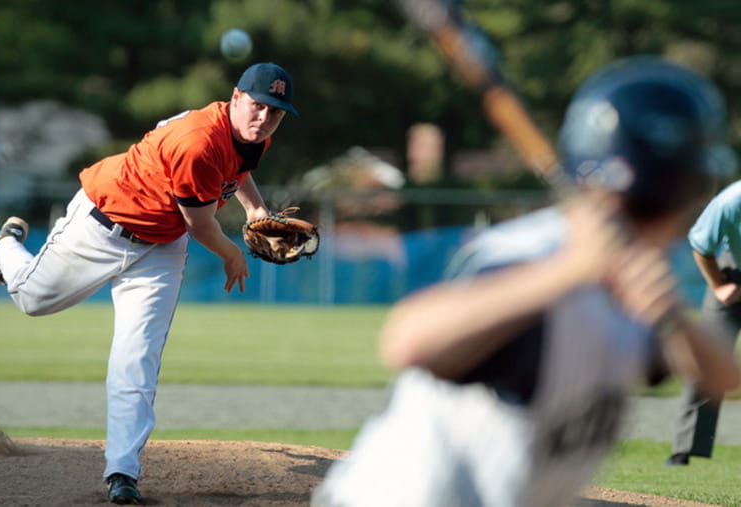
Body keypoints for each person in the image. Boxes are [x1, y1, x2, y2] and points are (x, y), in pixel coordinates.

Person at [311, 56, 741, 507]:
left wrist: (671, 314)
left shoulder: (636, 280)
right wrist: (572, 269)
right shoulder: (527, 254)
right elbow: (408, 341)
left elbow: (721, 376)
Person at [0, 61, 298, 505]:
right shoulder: (197, 141)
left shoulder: (249, 137)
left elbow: (237, 172)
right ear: (236, 98)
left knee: (137, 355)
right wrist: (233, 255)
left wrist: (255, 212)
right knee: (32, 299)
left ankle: (122, 473)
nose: (264, 118)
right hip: (101, 224)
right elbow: (201, 225)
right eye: (258, 106)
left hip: (161, 247)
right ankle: (4, 250)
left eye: (275, 112)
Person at [666, 180, 741, 466]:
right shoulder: (731, 201)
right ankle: (685, 449)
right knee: (709, 360)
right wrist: (719, 286)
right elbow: (701, 244)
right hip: (730, 273)